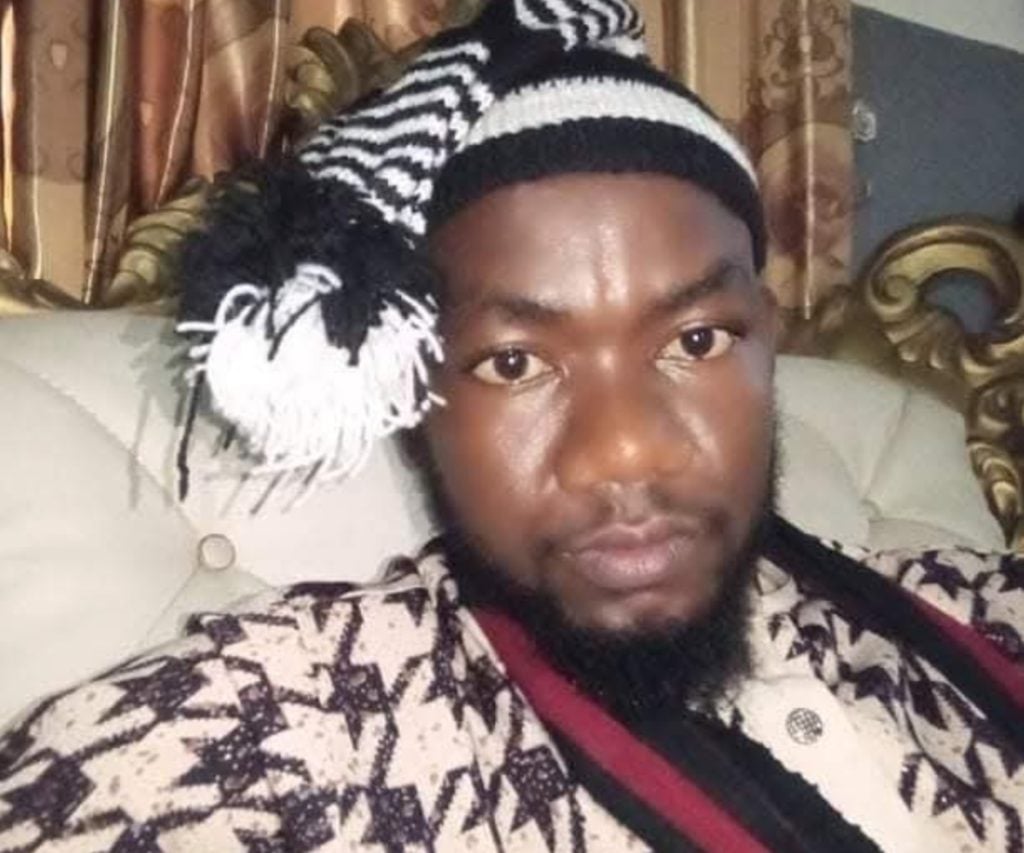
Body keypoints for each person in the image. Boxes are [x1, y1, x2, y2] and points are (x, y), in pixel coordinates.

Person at [1, 2, 1021, 851]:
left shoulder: (971, 604)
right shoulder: (291, 726)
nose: (625, 449)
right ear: (418, 400)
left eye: (697, 340)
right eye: (513, 362)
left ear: (768, 341)